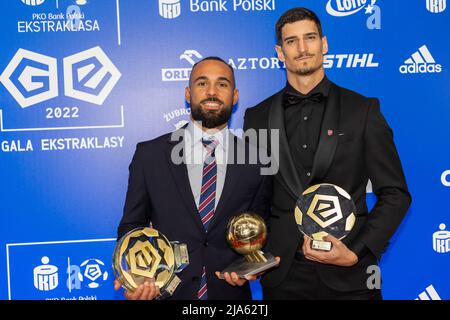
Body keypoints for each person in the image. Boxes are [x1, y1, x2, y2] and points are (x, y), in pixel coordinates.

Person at [243, 7, 411, 300]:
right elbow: (254, 197)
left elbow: (396, 193)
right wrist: (252, 252)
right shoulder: (256, 117)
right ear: (279, 53)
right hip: (282, 276)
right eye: (291, 41)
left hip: (350, 275)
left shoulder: (363, 110)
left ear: (324, 44)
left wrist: (356, 252)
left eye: (310, 38)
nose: (303, 48)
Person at [114, 57, 274, 300]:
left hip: (230, 295)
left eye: (222, 84)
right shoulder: (150, 155)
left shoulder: (257, 160)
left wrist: (250, 269)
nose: (212, 92)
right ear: (188, 93)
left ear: (235, 95)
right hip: (168, 293)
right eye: (202, 84)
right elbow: (132, 226)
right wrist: (137, 275)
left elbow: (259, 229)